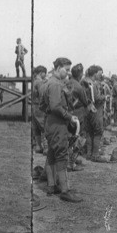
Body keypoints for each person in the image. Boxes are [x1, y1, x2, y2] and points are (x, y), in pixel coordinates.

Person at [40, 57, 82, 203]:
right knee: (62, 155)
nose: (69, 73)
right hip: (58, 124)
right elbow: (56, 106)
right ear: (58, 68)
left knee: (52, 153)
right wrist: (69, 117)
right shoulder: (56, 85)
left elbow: (42, 106)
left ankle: (52, 186)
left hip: (50, 123)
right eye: (67, 69)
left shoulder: (47, 83)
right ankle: (65, 190)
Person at [81, 65, 110, 163]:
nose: (101, 75)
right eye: (100, 73)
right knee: (98, 132)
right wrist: (105, 97)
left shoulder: (83, 82)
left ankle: (89, 153)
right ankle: (95, 155)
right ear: (95, 73)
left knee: (89, 132)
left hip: (86, 110)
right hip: (95, 110)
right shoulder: (91, 84)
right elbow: (96, 98)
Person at [31, 65, 47, 154]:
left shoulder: (34, 81)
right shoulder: (40, 82)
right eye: (45, 73)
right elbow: (42, 94)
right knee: (44, 126)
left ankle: (38, 146)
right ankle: (46, 148)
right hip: (39, 107)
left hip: (33, 106)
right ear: (41, 73)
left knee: (36, 127)